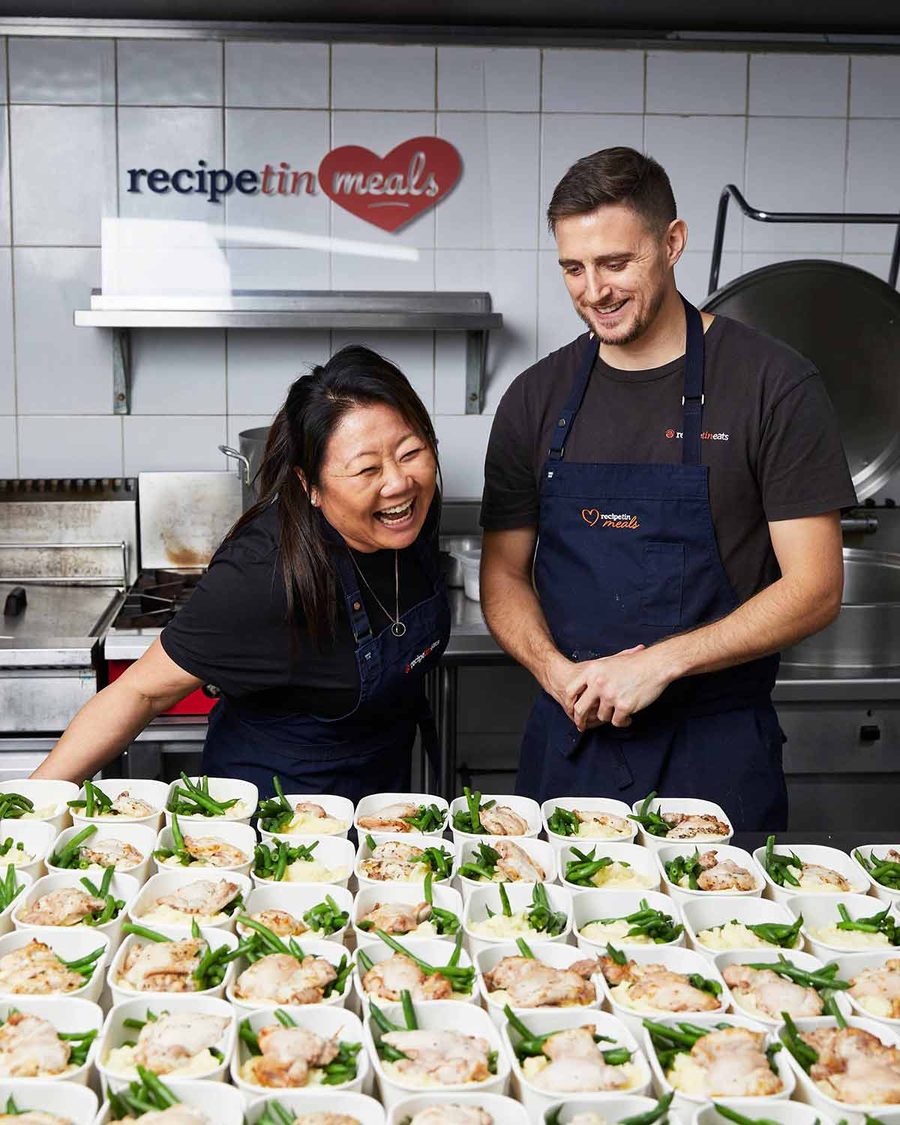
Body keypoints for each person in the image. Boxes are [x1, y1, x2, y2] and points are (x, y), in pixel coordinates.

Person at [479, 147, 857, 830]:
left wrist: (662, 664)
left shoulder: (773, 385)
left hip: (716, 754)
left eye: (615, 263)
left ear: (673, 242)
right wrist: (553, 671)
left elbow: (816, 587)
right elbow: (503, 573)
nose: (594, 290)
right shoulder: (535, 397)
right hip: (572, 745)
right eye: (573, 268)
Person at [33, 346, 450, 802]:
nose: (398, 482)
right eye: (367, 469)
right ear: (309, 486)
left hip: (380, 806)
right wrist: (31, 807)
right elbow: (139, 693)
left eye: (411, 452)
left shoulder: (409, 516)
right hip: (271, 817)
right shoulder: (259, 573)